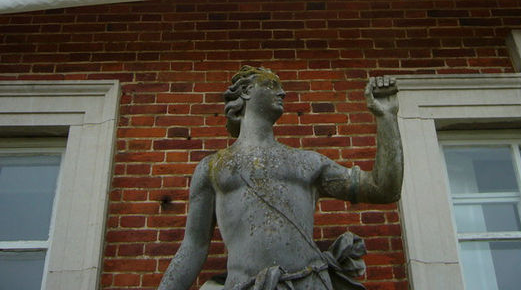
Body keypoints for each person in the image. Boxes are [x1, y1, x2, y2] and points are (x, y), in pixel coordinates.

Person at [157, 66, 403, 290]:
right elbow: (194, 247)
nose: (282, 92)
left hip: (309, 284)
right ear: (246, 92)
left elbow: (383, 189)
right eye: (271, 85)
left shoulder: (306, 163)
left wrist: (387, 117)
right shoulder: (213, 168)